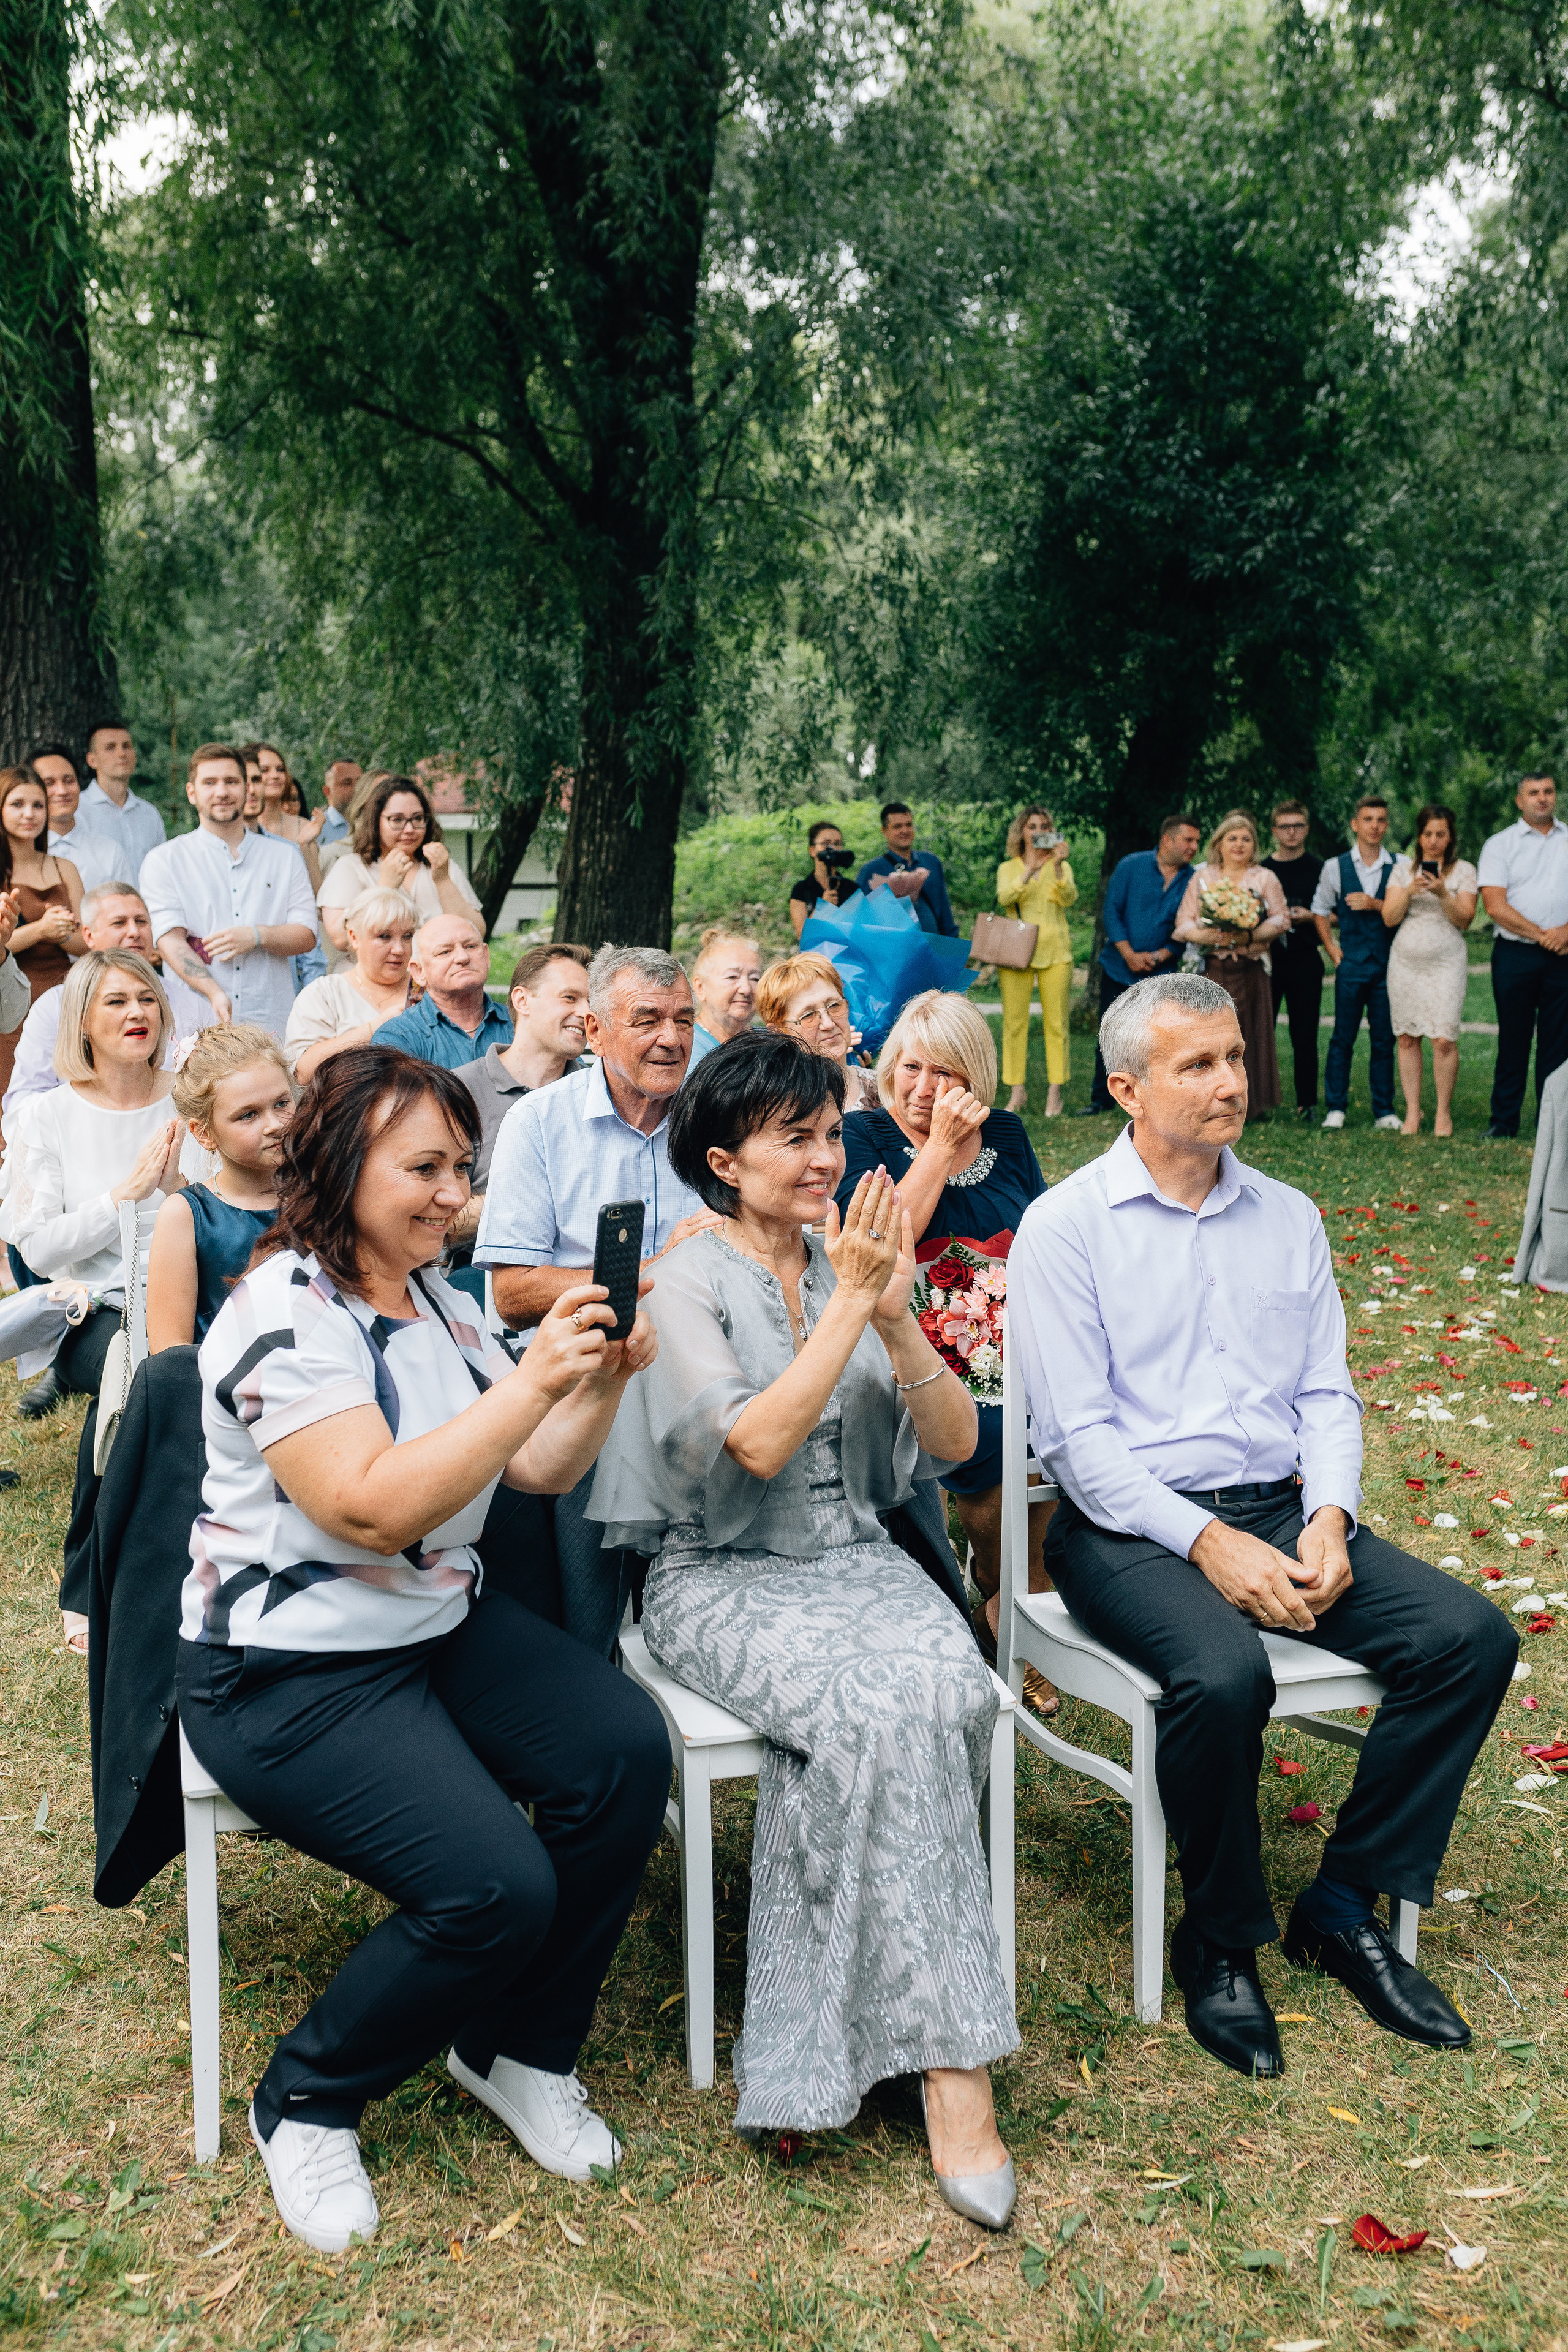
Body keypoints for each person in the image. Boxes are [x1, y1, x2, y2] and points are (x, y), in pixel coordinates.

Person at [175, 1045, 668, 2252]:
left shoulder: (439, 1300)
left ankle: (518, 2049)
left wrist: (598, 1381)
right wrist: (532, 1382)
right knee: (494, 1888)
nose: (455, 1196)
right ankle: (305, 2098)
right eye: (425, 1169)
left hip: (431, 1621)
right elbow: (366, 1507)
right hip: (285, 1670)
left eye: (462, 1168)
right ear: (341, 1167)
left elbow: (534, 1466)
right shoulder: (282, 1314)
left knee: (620, 1752)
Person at [1009, 971, 1516, 2077]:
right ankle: (1221, 1937)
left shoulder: (1288, 1215)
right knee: (1224, 1674)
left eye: (1235, 1056)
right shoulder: (1066, 1228)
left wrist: (1330, 1516)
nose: (1230, 1081)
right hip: (1124, 1529)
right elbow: (1080, 1447)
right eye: (1198, 1064)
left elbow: (1327, 1394)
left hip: (1281, 1507)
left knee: (1470, 1640)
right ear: (1128, 1089)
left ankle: (1340, 1906)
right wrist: (1207, 1543)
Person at [589, 1033, 1019, 2220]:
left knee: (951, 1691)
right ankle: (953, 2075)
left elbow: (951, 1448)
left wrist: (894, 1318)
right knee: (872, 1711)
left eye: (832, 1132)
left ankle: (862, 2028)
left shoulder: (855, 1263)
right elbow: (760, 1445)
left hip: (856, 1558)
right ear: (726, 1162)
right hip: (721, 1575)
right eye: (796, 1138)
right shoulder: (680, 1282)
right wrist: (851, 1301)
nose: (828, 1156)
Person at [475, 944, 719, 1652]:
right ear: (595, 1031)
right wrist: (656, 1270)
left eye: (683, 1019)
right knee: (600, 1411)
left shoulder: (716, 1119)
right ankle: (595, 1653)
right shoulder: (539, 1123)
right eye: (647, 1020)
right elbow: (513, 1293)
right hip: (585, 1368)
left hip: (702, 1364)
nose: (671, 1038)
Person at [835, 990, 1051, 1689]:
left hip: (1011, 1336)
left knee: (1061, 1432)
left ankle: (1018, 1601)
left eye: (945, 1072)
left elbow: (1043, 1232)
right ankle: (1006, 1598)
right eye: (912, 1068)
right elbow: (881, 1242)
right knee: (995, 1446)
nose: (925, 1088)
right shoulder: (862, 1134)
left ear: (974, 1076)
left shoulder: (1007, 1132)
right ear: (890, 1067)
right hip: (909, 1342)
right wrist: (936, 1147)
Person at [5, 951, 185, 1649]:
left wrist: (177, 1191)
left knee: (165, 1368)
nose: (138, 1013)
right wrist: (124, 1198)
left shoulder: (193, 1095)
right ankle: (87, 1579)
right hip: (90, 1309)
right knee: (132, 1367)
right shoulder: (47, 1115)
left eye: (147, 998)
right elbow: (39, 1250)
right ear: (82, 1021)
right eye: (116, 1001)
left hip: (190, 1290)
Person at [140, 744, 320, 1041]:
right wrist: (214, 992)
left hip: (270, 1018)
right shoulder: (165, 860)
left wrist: (258, 936)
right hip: (197, 1019)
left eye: (231, 782)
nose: (221, 792)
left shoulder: (285, 857)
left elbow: (307, 935)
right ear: (191, 792)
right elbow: (170, 941)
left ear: (247, 789)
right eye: (210, 783)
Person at [145, 1025, 293, 1350]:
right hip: (226, 1377)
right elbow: (170, 1348)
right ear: (204, 1134)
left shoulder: (322, 1192)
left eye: (282, 1103)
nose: (275, 1124)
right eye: (248, 1115)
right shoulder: (187, 1215)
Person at [1080, 812, 1202, 1116]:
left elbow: (1188, 925)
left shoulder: (1194, 879)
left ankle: (1156, 1099)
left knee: (1159, 1039)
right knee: (1110, 1035)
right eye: (1188, 840)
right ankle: (1102, 1098)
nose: (1194, 847)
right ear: (1167, 840)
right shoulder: (1131, 865)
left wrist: (1160, 955)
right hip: (1118, 966)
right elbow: (1111, 912)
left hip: (1162, 973)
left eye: (1197, 842)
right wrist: (1129, 954)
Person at [450, 944, 590, 1202]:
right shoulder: (459, 1090)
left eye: (591, 1002)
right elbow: (440, 1207)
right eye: (570, 998)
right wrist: (535, 1202)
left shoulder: (598, 1093)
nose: (586, 1012)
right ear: (522, 1001)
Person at [1173, 810, 1288, 1116]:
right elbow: (1183, 922)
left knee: (1251, 1035)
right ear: (1219, 844)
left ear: (1254, 845)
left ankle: (1254, 1103)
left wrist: (1248, 936)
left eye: (1246, 839)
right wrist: (1209, 937)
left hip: (1250, 968)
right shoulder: (1202, 878)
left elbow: (1281, 919)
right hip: (1212, 969)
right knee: (1210, 1036)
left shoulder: (1264, 878)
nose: (1239, 845)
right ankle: (1210, 1100)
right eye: (1232, 838)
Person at [1478, 772, 1568, 1140]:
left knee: (1559, 1041)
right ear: (1520, 801)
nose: (1542, 798)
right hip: (1515, 955)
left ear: (1555, 796)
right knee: (1513, 1038)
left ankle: (1552, 1124)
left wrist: (1565, 933)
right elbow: (1495, 906)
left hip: (1564, 955)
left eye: (1548, 791)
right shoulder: (1500, 845)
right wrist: (1544, 935)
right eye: (1533, 793)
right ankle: (1504, 1121)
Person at [1383, 805, 1479, 1138]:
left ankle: (1443, 1112)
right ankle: (1413, 1111)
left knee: (1443, 1039)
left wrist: (1442, 893)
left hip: (1446, 963)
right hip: (1406, 963)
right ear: (1419, 836)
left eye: (1441, 834)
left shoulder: (1464, 870)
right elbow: (1389, 918)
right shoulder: (1401, 871)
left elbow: (1465, 919)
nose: (1434, 840)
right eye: (1428, 834)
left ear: (1450, 837)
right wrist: (1409, 891)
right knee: (1407, 1038)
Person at [316, 773, 484, 954]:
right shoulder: (350, 867)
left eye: (418, 819)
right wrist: (385, 888)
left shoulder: (442, 867)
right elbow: (341, 939)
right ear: (375, 821)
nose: (410, 829)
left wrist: (443, 880)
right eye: (397, 820)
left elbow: (476, 932)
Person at [1311, 795, 1401, 1133]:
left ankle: (1384, 1110)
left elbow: (1404, 909)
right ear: (1355, 824)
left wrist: (1376, 903)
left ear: (1387, 825)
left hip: (1388, 965)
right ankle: (1336, 1108)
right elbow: (1320, 909)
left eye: (1380, 820)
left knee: (1384, 1040)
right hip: (1350, 964)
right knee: (1342, 1038)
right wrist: (1331, 948)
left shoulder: (1400, 865)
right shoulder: (1335, 867)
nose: (1374, 826)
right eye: (1368, 819)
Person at [0, 766, 85, 1105]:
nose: (30, 814)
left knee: (64, 1094)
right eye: (17, 804)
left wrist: (60, 935)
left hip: (64, 994)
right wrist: (40, 930)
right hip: (11, 999)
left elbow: (87, 942)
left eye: (38, 805)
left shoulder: (65, 867)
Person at [994, 806, 1077, 1118]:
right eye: (1032, 826)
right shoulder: (1008, 867)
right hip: (1016, 952)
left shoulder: (1061, 866)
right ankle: (1017, 1091)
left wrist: (1057, 867)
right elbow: (1004, 898)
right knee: (1014, 1023)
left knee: (1057, 1024)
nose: (1038, 832)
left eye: (1044, 826)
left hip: (1056, 952)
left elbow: (1069, 899)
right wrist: (1029, 870)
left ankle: (1055, 1092)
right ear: (1022, 832)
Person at [285, 888, 419, 1080]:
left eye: (407, 936)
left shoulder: (427, 989)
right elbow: (303, 1073)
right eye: (385, 936)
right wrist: (374, 1029)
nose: (399, 949)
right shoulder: (324, 994)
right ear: (354, 937)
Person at [371, 914, 513, 1069]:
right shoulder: (398, 1038)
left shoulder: (519, 1023)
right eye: (445, 952)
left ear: (486, 956)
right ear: (419, 972)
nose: (463, 957)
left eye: (471, 946)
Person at [1261, 799, 1325, 1114]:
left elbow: (1336, 914)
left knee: (1305, 1034)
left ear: (1307, 829)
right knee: (1260, 1033)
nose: (1291, 832)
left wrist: (1311, 916)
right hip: (1268, 960)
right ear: (1274, 830)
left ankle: (1307, 1103)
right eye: (1285, 826)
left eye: (1298, 826)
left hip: (1305, 958)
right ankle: (1255, 1102)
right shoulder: (1262, 870)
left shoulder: (1320, 868)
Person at [755, 949, 876, 1110]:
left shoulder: (885, 1086)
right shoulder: (776, 1109)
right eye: (808, 1016)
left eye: (834, 1006)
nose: (828, 1024)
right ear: (779, 1033)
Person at [29, 743, 123, 895]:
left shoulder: (110, 851)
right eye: (49, 783)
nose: (62, 791)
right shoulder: (20, 853)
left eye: (69, 781)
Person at [77, 720, 165, 875]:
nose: (122, 754)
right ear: (92, 760)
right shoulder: (78, 812)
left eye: (127, 746)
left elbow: (163, 870)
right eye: (111, 747)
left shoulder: (150, 814)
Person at [857, 802, 958, 937]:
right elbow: (860, 918)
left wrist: (952, 942)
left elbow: (944, 911)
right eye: (897, 827)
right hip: (893, 945)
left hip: (933, 943)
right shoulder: (871, 871)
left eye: (909, 825)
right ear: (884, 831)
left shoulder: (931, 862)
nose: (905, 831)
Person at [688, 927, 761, 1062]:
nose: (746, 989)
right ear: (700, 987)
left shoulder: (770, 1040)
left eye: (755, 979)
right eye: (732, 977)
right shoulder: (687, 1046)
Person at [788, 820, 862, 937]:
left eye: (837, 844)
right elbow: (802, 936)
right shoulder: (801, 890)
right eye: (826, 843)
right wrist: (823, 908)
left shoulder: (852, 888)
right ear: (812, 851)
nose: (832, 848)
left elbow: (861, 929)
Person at [320, 758, 362, 846]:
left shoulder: (375, 823)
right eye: (347, 783)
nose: (356, 789)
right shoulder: (318, 831)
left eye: (360, 782)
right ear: (327, 792)